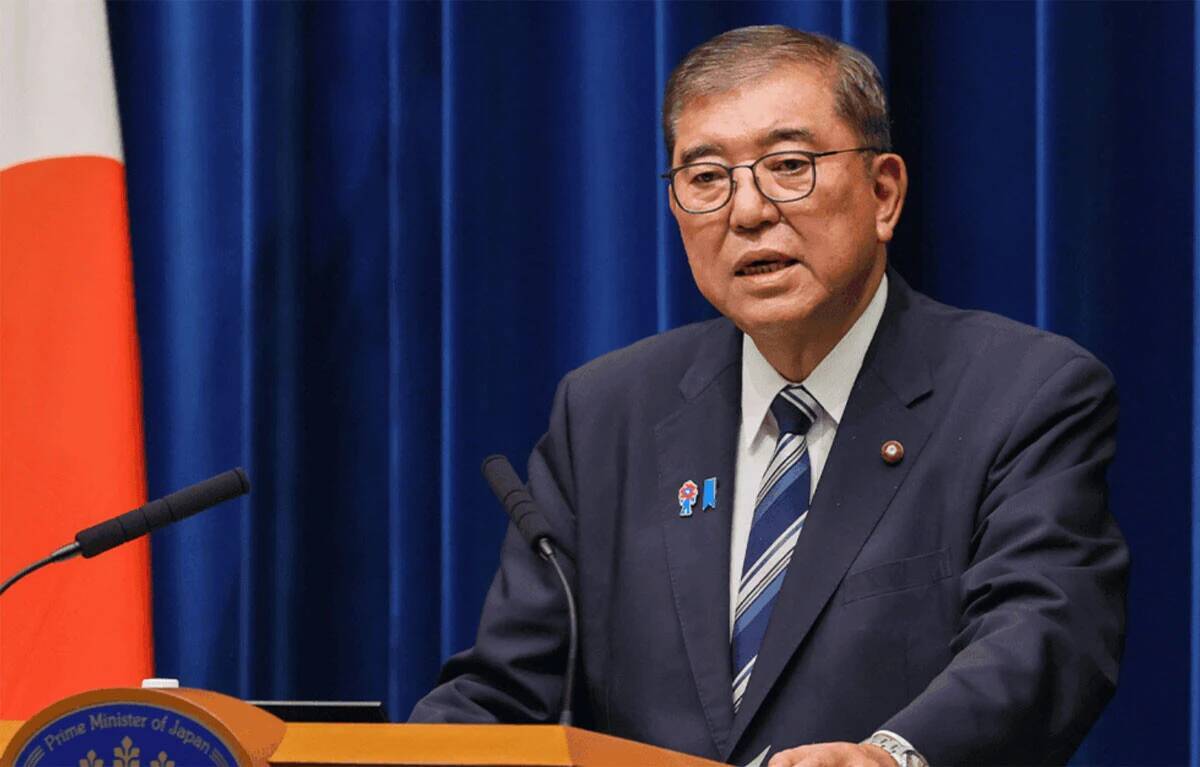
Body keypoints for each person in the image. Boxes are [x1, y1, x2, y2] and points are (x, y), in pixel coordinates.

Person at [410, 25, 1128, 767]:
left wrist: (890, 757)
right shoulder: (606, 414)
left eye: (789, 166)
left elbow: (1045, 633)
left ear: (883, 193)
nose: (747, 211)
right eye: (706, 178)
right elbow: (505, 697)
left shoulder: (1020, 393)